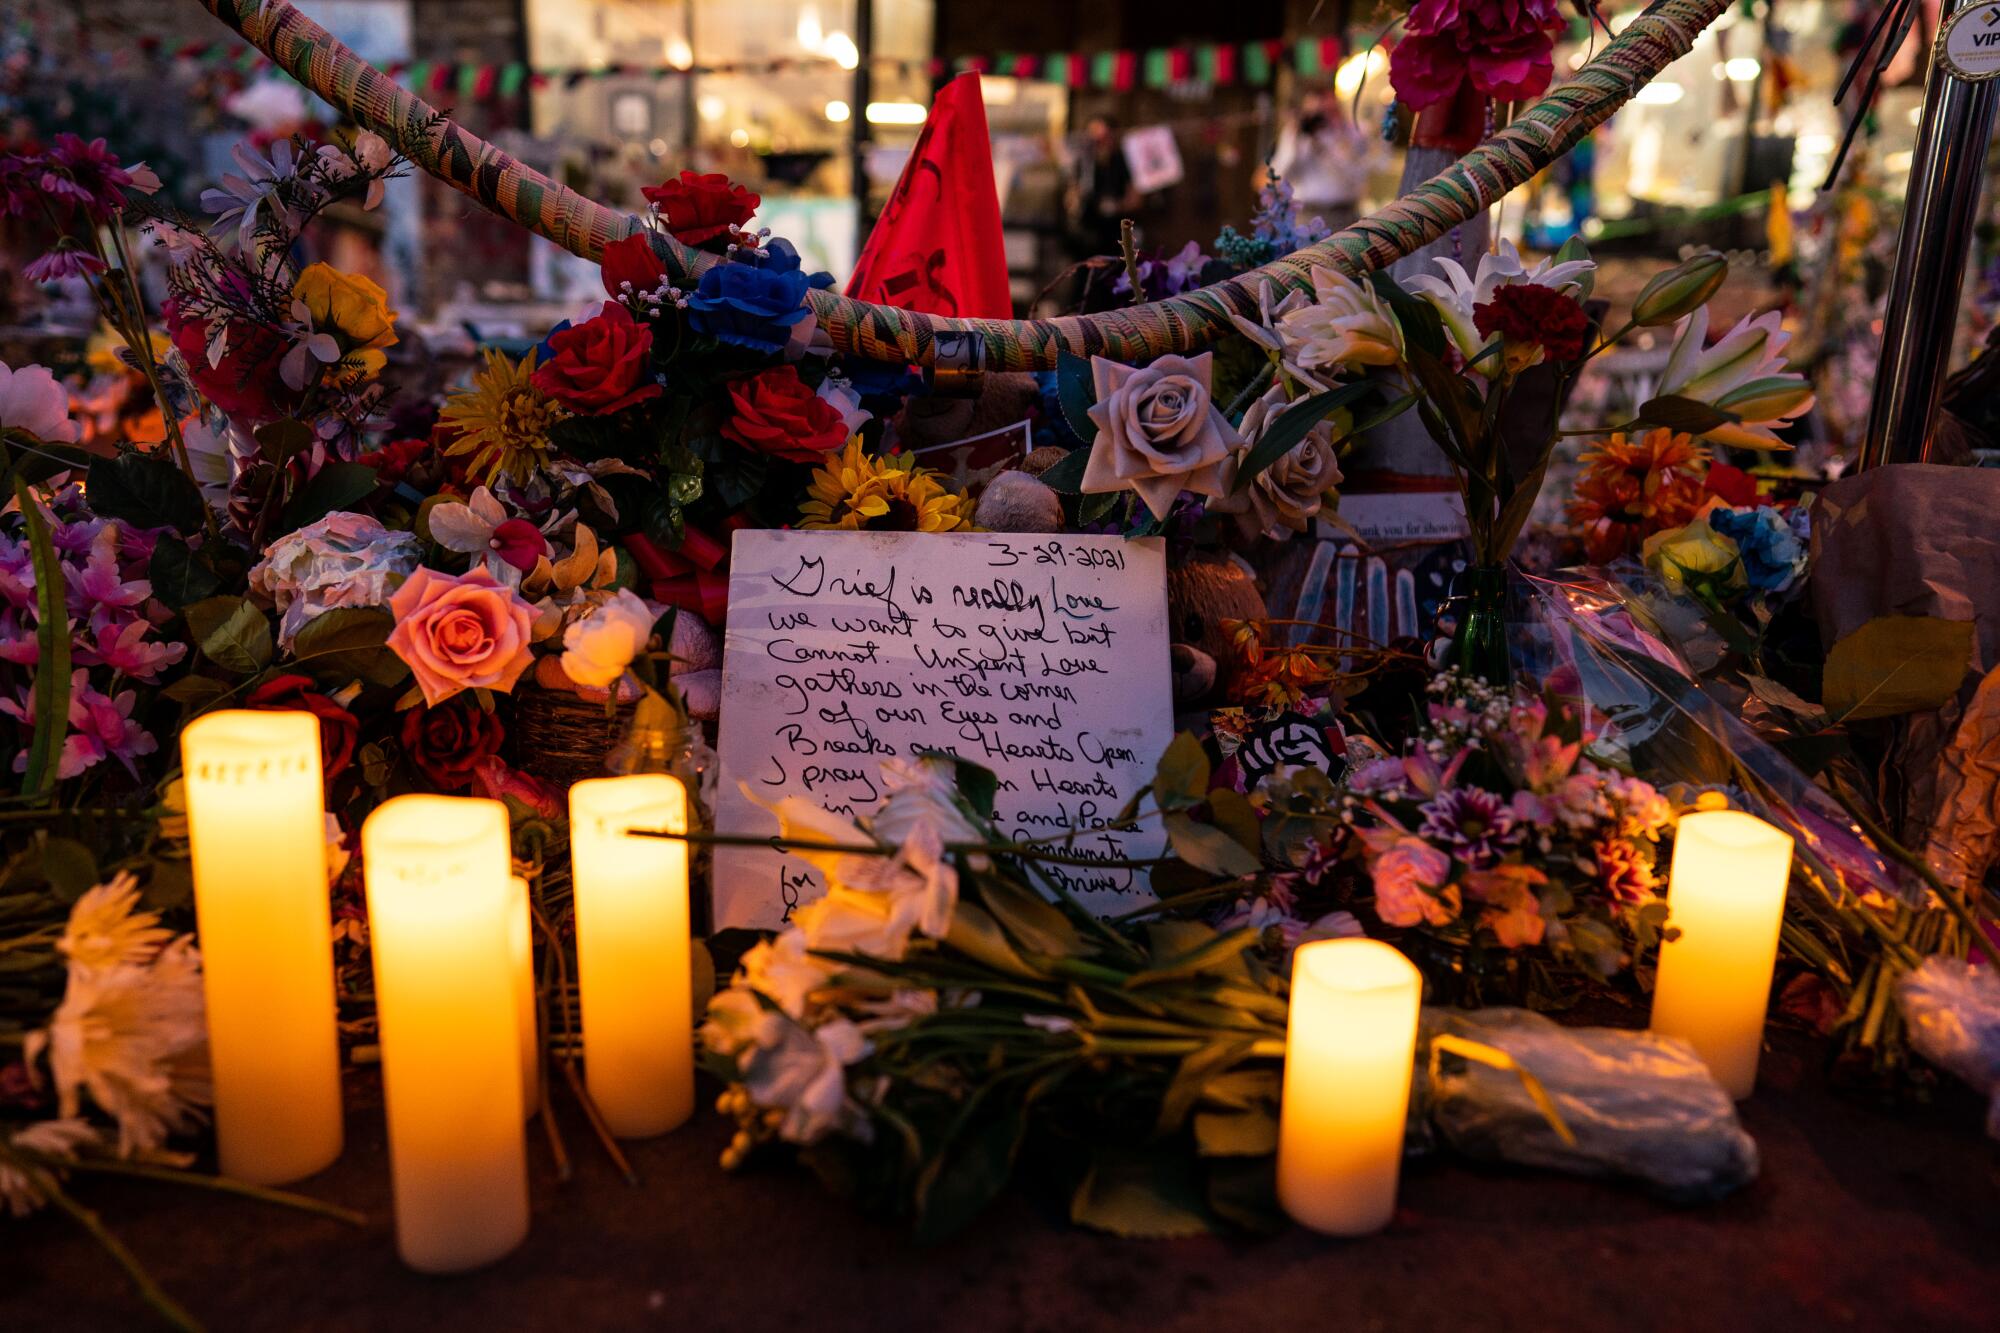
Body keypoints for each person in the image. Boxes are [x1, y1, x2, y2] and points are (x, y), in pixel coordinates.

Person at [1270, 93, 1378, 233]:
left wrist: (1333, 141)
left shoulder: (1352, 133)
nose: (1320, 119)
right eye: (1315, 114)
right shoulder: (1296, 136)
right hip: (1308, 216)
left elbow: (1359, 174)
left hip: (1345, 215)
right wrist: (1295, 138)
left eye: (1328, 111)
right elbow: (1280, 174)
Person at [1069, 115, 1140, 260]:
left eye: (1102, 138)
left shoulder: (1123, 161)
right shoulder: (1084, 163)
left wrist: (1116, 206)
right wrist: (1074, 202)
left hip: (1116, 233)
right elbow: (1072, 194)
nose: (1097, 143)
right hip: (1087, 232)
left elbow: (1135, 199)